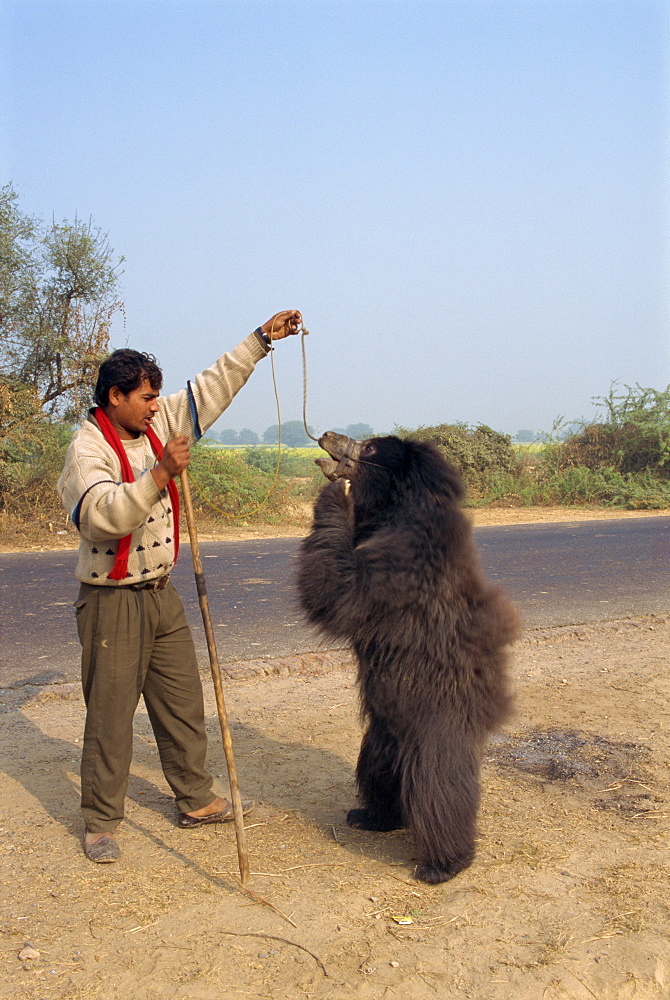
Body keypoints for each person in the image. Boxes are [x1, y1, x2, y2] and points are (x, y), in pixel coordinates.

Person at [57, 310, 302, 862]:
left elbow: (211, 385)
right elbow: (104, 517)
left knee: (182, 703)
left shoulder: (158, 422)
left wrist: (262, 340)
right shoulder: (86, 450)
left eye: (156, 398)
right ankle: (100, 823)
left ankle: (194, 799)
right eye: (145, 398)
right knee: (111, 716)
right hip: (111, 601)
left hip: (160, 593)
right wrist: (162, 474)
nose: (154, 407)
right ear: (115, 397)